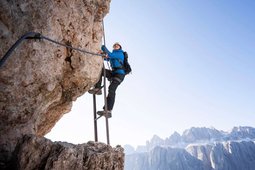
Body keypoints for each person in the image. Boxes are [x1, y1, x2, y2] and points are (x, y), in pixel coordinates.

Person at [88, 42, 126, 118]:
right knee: (100, 70)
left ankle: (108, 110)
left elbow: (109, 55)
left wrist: (103, 47)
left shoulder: (120, 53)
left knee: (111, 89)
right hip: (113, 73)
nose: (115, 46)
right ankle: (98, 88)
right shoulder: (113, 54)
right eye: (114, 45)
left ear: (120, 47)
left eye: (117, 45)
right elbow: (107, 58)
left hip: (119, 74)